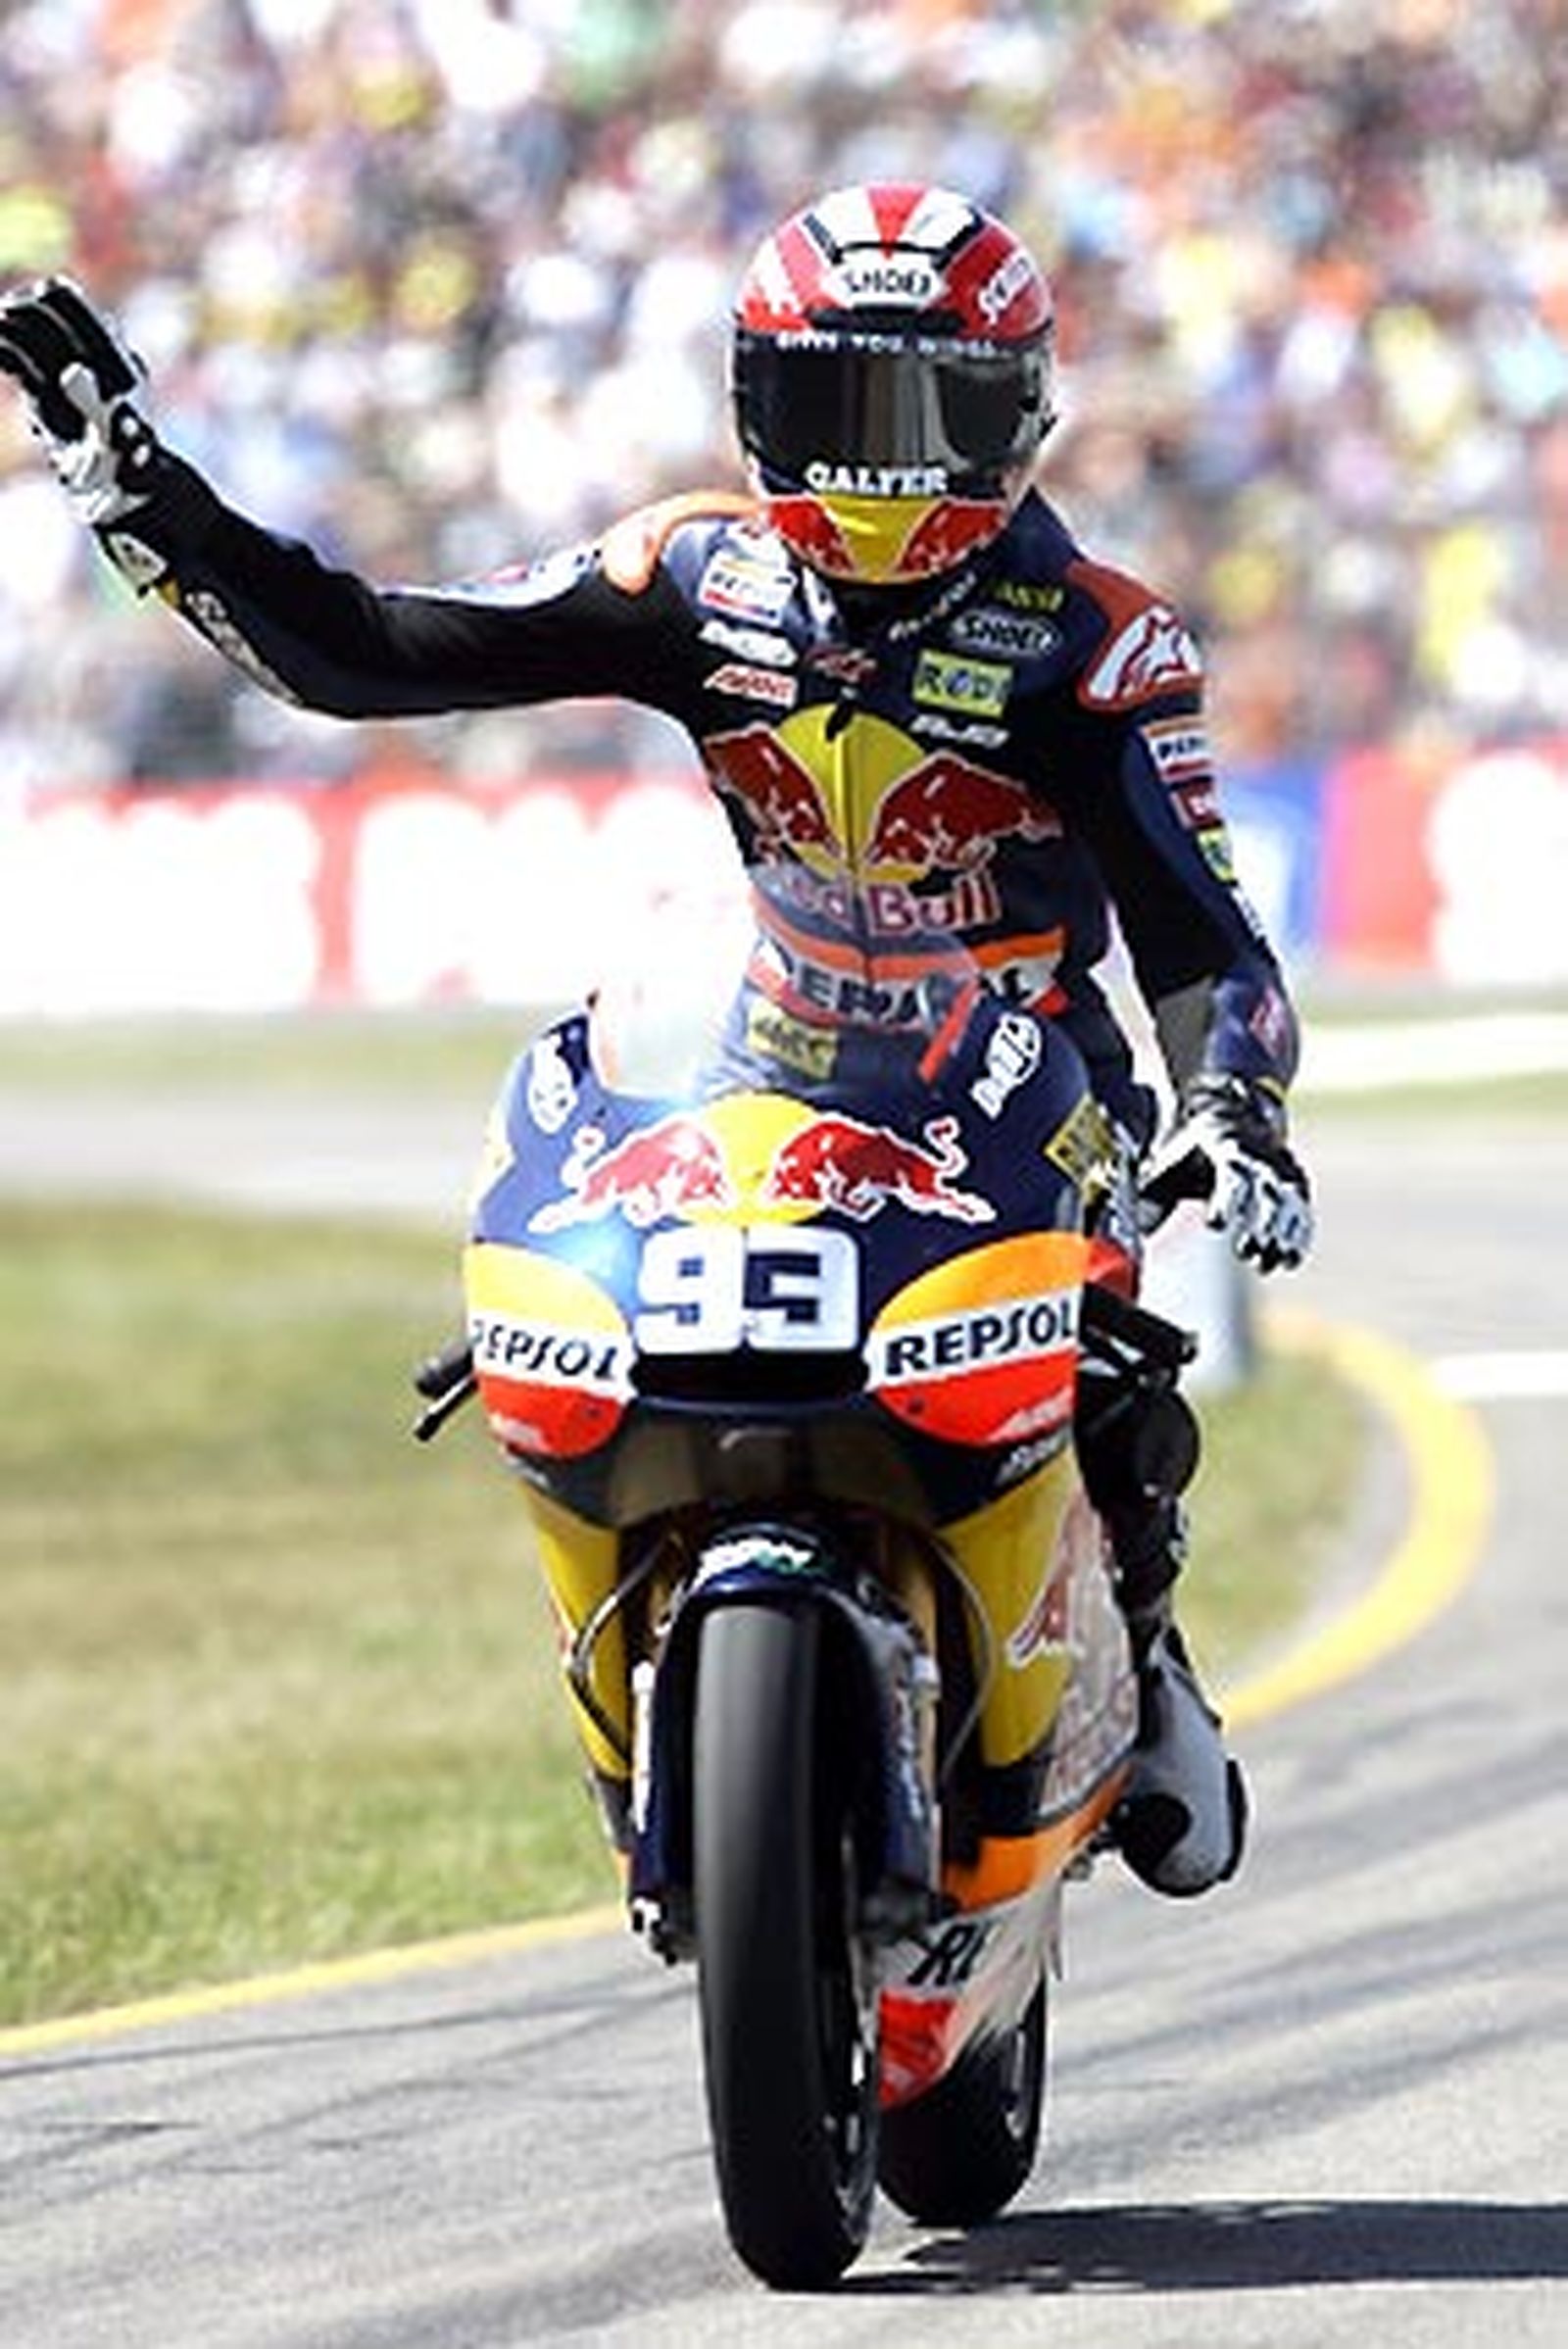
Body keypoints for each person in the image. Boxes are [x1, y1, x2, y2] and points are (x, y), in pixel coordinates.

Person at [0, 183, 1312, 1897]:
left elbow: (1207, 937)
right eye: (846, 414)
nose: (888, 471)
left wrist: (1233, 1106)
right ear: (762, 409)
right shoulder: (694, 574)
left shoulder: (1099, 641)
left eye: (933, 420)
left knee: (1111, 1382)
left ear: (1023, 417)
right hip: (777, 1055)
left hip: (1031, 1082)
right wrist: (145, 500)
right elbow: (369, 653)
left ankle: (1137, 1636)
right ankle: (671, 1663)